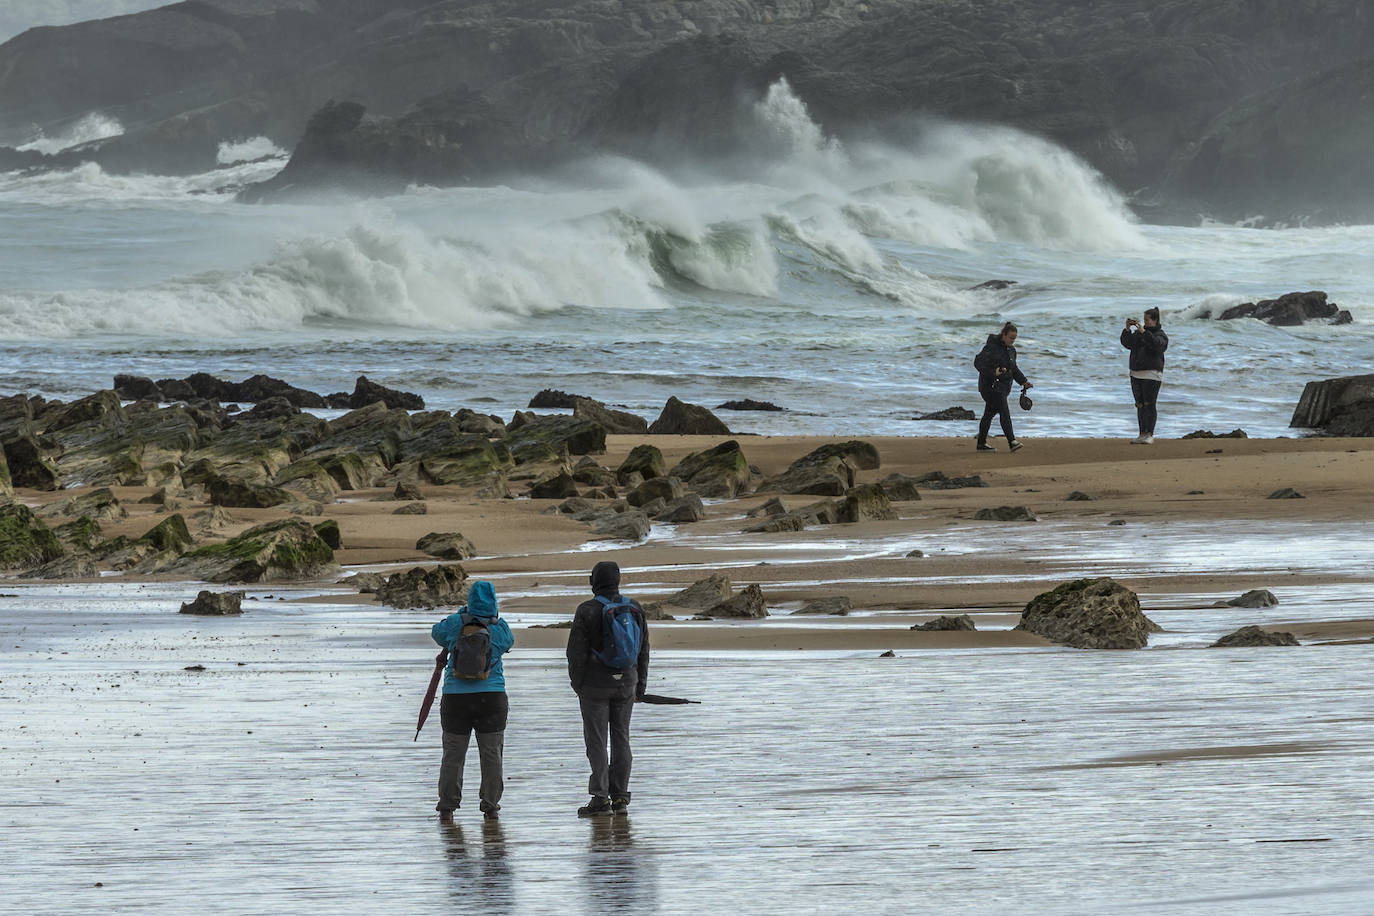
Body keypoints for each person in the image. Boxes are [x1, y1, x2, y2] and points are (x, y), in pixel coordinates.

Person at [567, 561, 650, 818]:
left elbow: (575, 653)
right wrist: (641, 686)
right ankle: (621, 798)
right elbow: (643, 649)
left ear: (594, 582)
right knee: (621, 737)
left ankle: (600, 798)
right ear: (617, 580)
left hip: (594, 686)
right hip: (627, 683)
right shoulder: (634, 607)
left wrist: (577, 683)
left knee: (597, 740)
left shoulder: (587, 610)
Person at [431, 580, 514, 821]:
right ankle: (490, 805)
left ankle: (447, 806)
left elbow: (437, 632)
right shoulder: (501, 628)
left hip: (456, 699)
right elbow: (508, 643)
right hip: (492, 697)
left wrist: (461, 616)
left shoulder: (456, 623)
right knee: (491, 754)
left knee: (453, 754)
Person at [974, 321, 1032, 452]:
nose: (1012, 341)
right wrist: (992, 372)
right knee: (1004, 411)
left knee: (988, 414)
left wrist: (1023, 381)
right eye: (1011, 338)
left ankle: (981, 444)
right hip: (990, 386)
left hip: (1004, 387)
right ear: (1004, 335)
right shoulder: (991, 347)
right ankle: (1012, 441)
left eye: (1014, 338)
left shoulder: (1012, 351)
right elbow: (978, 362)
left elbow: (1014, 369)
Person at [1120, 307, 1169, 444]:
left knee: (1150, 404)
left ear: (1155, 320)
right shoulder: (1139, 334)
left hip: (1152, 374)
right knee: (1140, 405)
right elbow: (1127, 343)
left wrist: (1144, 332)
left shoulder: (1161, 335)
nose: (1145, 322)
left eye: (1147, 320)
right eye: (1144, 320)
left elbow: (1157, 346)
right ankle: (1142, 433)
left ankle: (1149, 434)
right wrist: (1127, 329)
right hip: (1136, 372)